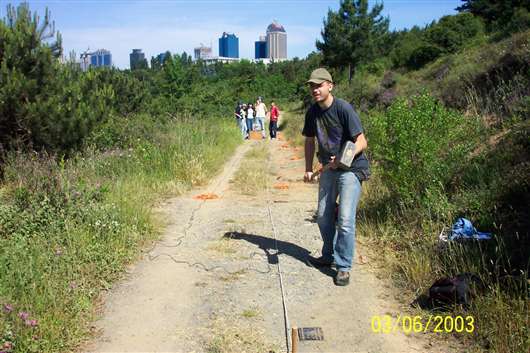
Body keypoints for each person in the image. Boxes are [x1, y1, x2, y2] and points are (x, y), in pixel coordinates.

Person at [302, 68, 369, 286]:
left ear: (330, 86)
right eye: (312, 86)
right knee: (323, 215)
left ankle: (343, 267)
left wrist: (342, 158)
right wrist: (308, 168)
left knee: (346, 220)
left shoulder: (343, 108)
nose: (315, 89)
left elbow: (361, 141)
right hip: (327, 168)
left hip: (351, 169)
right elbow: (310, 140)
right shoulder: (312, 112)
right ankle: (327, 255)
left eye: (319, 85)